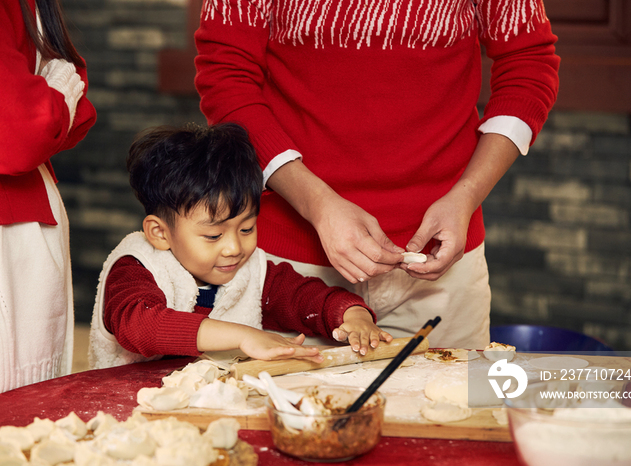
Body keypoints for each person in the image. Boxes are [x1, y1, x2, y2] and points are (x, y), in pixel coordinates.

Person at [193, 0, 560, 348]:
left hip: (444, 268)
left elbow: (528, 65)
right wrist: (318, 204)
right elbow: (226, 77)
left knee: (454, 415)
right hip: (291, 273)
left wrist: (467, 195)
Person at [88, 123, 392, 369]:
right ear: (160, 232)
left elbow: (303, 297)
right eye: (213, 236)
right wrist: (245, 336)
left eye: (246, 228)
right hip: (130, 414)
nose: (234, 247)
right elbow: (140, 324)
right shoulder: (137, 266)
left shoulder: (251, 271)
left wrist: (351, 314)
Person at [0, 0, 96, 406]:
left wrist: (43, 106)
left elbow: (75, 98)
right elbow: (19, 133)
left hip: (9, 214)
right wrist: (52, 97)